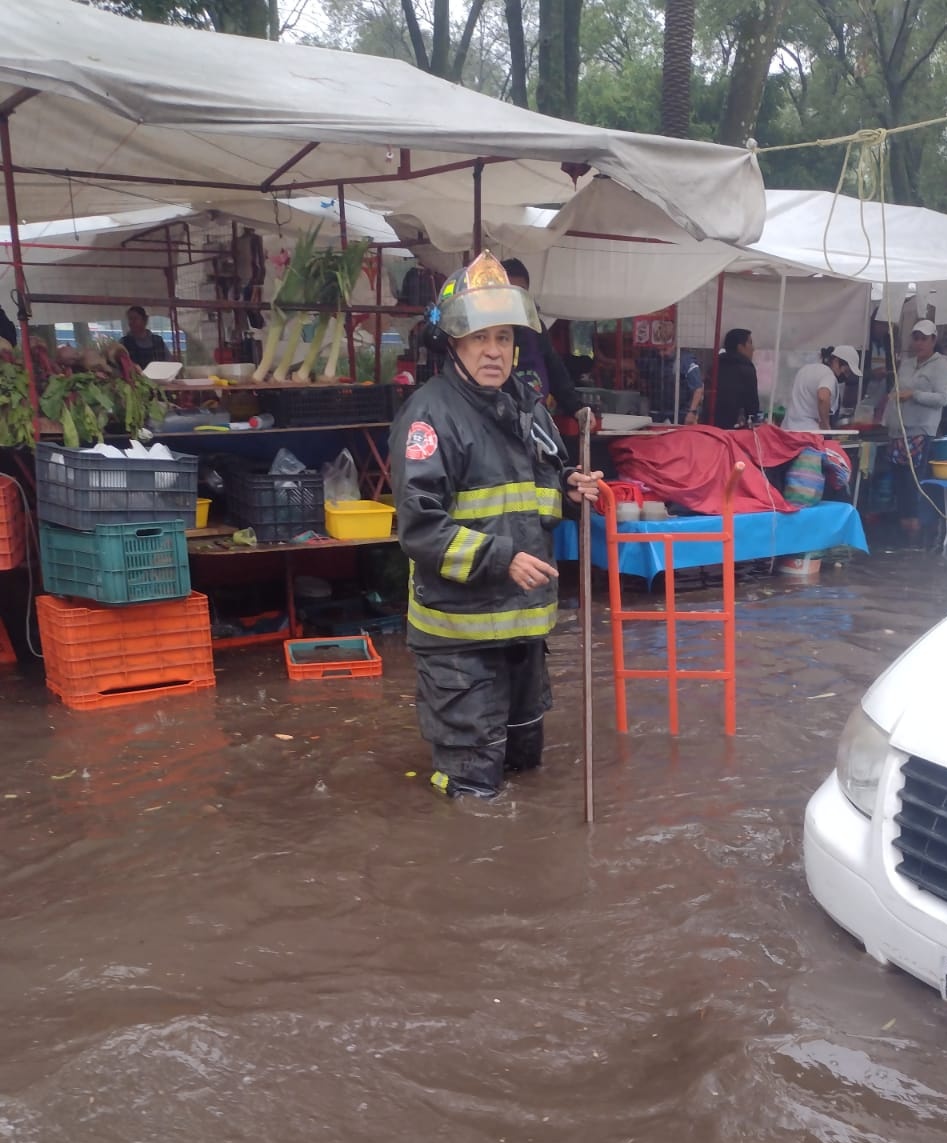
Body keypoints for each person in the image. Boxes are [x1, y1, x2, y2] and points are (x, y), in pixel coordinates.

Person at [389, 252, 602, 800]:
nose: (494, 351)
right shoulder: (429, 417)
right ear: (452, 344)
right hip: (460, 638)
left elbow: (535, 496)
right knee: (472, 788)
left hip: (521, 627)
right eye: (480, 337)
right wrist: (500, 558)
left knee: (526, 769)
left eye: (504, 337)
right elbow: (420, 527)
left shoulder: (526, 408)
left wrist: (569, 490)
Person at [884, 318, 947, 543]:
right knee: (899, 484)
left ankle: (916, 535)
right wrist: (887, 416)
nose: (919, 343)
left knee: (913, 484)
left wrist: (914, 394)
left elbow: (943, 398)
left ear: (933, 340)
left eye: (924, 339)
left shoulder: (941, 364)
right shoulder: (907, 364)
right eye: (916, 338)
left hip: (920, 430)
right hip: (898, 430)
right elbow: (896, 390)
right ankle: (905, 534)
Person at [500, 258, 585, 417]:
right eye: (508, 292)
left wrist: (576, 407)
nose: (514, 298)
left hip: (538, 418)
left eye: (520, 292)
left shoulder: (536, 328)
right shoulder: (491, 332)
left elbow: (556, 371)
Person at [782, 345, 862, 432]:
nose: (846, 376)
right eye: (846, 371)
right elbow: (823, 397)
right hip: (808, 432)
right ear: (836, 361)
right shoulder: (829, 376)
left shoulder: (806, 369)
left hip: (788, 429)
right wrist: (825, 425)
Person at [709, 328, 759, 429]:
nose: (753, 348)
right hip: (735, 426)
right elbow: (752, 403)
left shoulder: (715, 364)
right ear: (740, 347)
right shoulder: (746, 368)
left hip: (711, 422)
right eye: (750, 343)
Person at [120, 306, 168, 370]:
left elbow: (169, 363)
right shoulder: (123, 343)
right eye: (130, 319)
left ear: (145, 320)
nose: (131, 322)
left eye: (135, 318)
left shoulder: (158, 341)